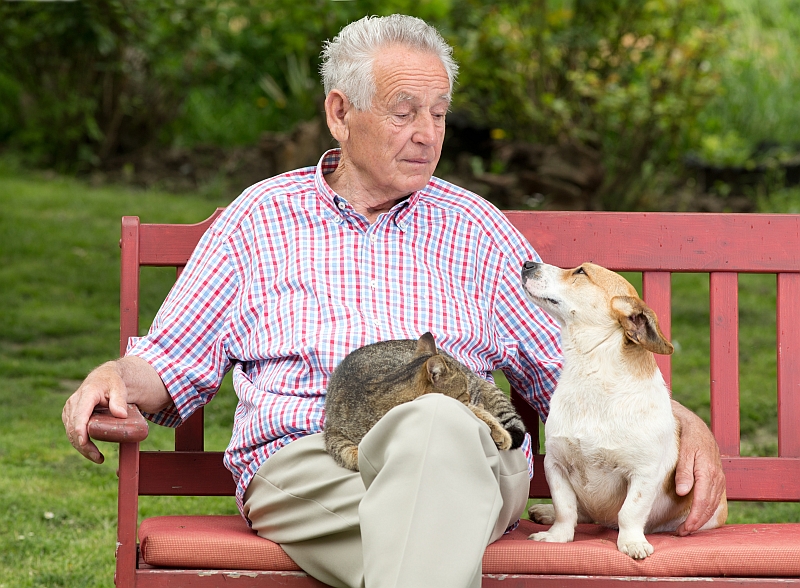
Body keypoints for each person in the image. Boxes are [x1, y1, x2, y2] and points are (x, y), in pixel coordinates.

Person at [62, 14, 726, 588]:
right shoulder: (259, 219)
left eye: (438, 114)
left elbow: (574, 369)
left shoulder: (477, 228)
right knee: (431, 512)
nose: (427, 133)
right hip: (308, 466)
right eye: (404, 111)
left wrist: (671, 419)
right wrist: (113, 376)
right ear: (340, 112)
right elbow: (173, 359)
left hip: (470, 454)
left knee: (434, 421)